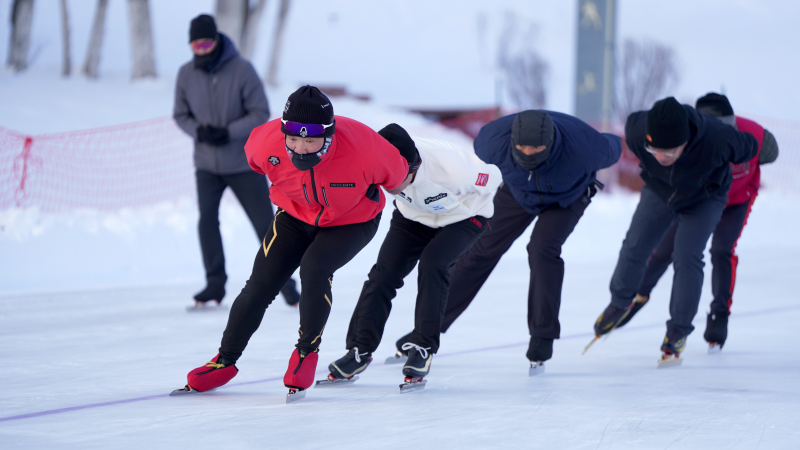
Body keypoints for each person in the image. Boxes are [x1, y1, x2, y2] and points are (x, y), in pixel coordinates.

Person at [174, 85, 409, 398]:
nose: (300, 148)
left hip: (352, 221)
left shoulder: (367, 147)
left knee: (314, 268)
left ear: (328, 134)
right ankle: (224, 361)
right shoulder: (262, 143)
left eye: (311, 140)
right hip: (295, 216)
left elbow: (398, 179)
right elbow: (260, 165)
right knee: (259, 285)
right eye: (293, 139)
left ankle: (306, 352)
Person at [393, 110, 622, 371]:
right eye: (521, 147)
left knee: (542, 249)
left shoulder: (588, 147)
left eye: (536, 147)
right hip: (518, 193)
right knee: (479, 251)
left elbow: (616, 143)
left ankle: (542, 336)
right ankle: (426, 331)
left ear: (551, 142)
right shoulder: (490, 142)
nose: (528, 153)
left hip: (567, 199)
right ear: (512, 141)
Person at [325, 124, 502, 384]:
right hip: (413, 217)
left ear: (414, 167)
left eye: (398, 178)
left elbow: (493, 178)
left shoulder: (453, 169)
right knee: (382, 275)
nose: (392, 185)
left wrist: (472, 204)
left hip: (464, 217)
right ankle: (359, 349)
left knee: (433, 265)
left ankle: (423, 347)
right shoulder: (372, 161)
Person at [592, 96, 758, 363]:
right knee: (636, 244)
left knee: (686, 255)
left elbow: (750, 146)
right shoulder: (636, 128)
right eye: (654, 150)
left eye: (669, 152)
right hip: (660, 190)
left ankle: (678, 331)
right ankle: (619, 302)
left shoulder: (717, 138)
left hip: (705, 197)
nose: (661, 157)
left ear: (686, 141)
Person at [626, 93, 778, 351]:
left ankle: (719, 314)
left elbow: (770, 154)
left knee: (721, 250)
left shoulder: (753, 136)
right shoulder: (685, 142)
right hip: (698, 200)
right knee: (666, 248)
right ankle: (637, 296)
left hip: (736, 201)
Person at [173, 14, 300, 308]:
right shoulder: (185, 74)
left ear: (216, 40)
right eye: (195, 44)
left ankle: (287, 286)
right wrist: (200, 131)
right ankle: (214, 285)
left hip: (244, 165)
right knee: (207, 222)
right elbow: (180, 115)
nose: (201, 49)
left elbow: (260, 112)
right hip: (206, 164)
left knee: (266, 225)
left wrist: (228, 133)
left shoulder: (242, 70)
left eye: (206, 42)